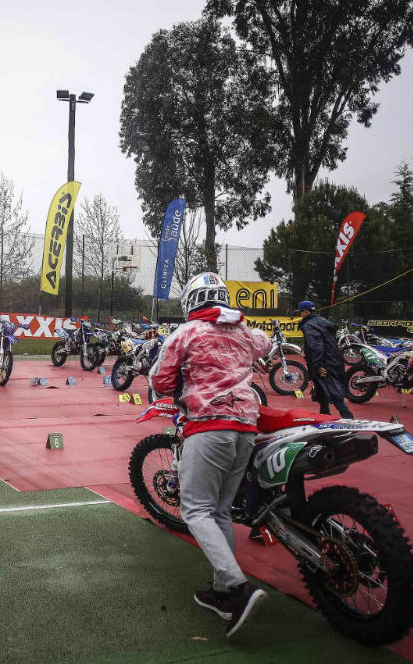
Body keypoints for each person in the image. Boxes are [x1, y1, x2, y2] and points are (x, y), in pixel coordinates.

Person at [150, 272, 271, 637]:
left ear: (192, 301)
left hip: (208, 425)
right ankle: (221, 592)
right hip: (246, 427)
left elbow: (159, 378)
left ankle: (236, 586)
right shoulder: (243, 331)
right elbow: (265, 344)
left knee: (196, 509)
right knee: (219, 510)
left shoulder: (186, 333)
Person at [296, 300, 354, 419]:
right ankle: (324, 414)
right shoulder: (322, 321)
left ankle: (347, 416)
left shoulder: (309, 325)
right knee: (321, 388)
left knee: (332, 389)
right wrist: (307, 345)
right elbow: (325, 340)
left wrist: (318, 366)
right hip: (334, 358)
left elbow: (317, 347)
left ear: (305, 311)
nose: (300, 315)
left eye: (300, 312)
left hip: (325, 361)